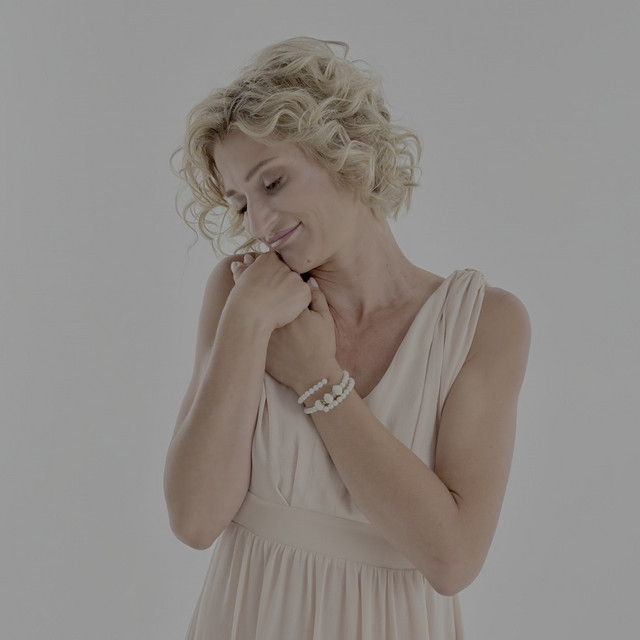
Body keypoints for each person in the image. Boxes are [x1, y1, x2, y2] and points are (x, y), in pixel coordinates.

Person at [163, 36, 531, 640]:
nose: (259, 223)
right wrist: (246, 323)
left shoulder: (482, 323)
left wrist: (317, 378)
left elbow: (453, 559)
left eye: (272, 182)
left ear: (350, 148)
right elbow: (195, 521)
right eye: (240, 204)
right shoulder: (239, 294)